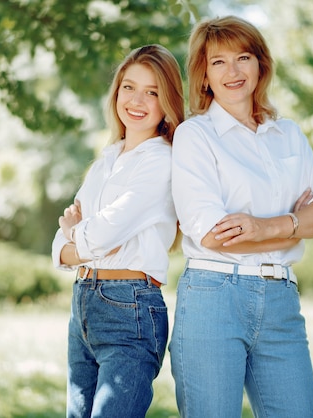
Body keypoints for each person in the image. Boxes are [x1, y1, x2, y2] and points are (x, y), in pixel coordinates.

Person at [169, 16, 313, 418]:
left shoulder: (288, 135)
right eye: (218, 62)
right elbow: (213, 234)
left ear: (261, 65)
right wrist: (297, 227)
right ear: (204, 74)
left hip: (281, 300)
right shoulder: (195, 136)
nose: (233, 72)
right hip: (213, 297)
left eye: (243, 57)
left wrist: (265, 227)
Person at [51, 44, 184, 418]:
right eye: (129, 87)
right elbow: (58, 246)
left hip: (130, 310)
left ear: (167, 102)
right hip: (84, 306)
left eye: (152, 91)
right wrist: (78, 238)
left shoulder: (161, 161)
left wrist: (79, 235)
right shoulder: (107, 158)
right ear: (116, 92)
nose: (137, 100)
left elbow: (97, 236)